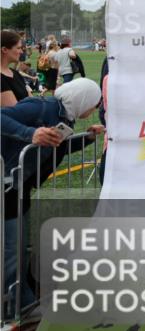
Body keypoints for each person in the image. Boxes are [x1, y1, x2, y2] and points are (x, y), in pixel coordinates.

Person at [2, 78, 104, 317]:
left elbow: (57, 147)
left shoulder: (64, 117)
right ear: (82, 99)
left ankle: (23, 301)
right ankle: (13, 306)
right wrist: (30, 133)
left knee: (19, 246)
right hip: (7, 185)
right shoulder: (43, 107)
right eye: (94, 103)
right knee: (11, 249)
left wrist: (87, 139)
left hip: (18, 187)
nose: (93, 109)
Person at [1, 30, 30, 107]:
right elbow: (16, 111)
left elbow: (32, 99)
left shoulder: (15, 73)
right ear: (4, 50)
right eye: (18, 48)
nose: (21, 52)